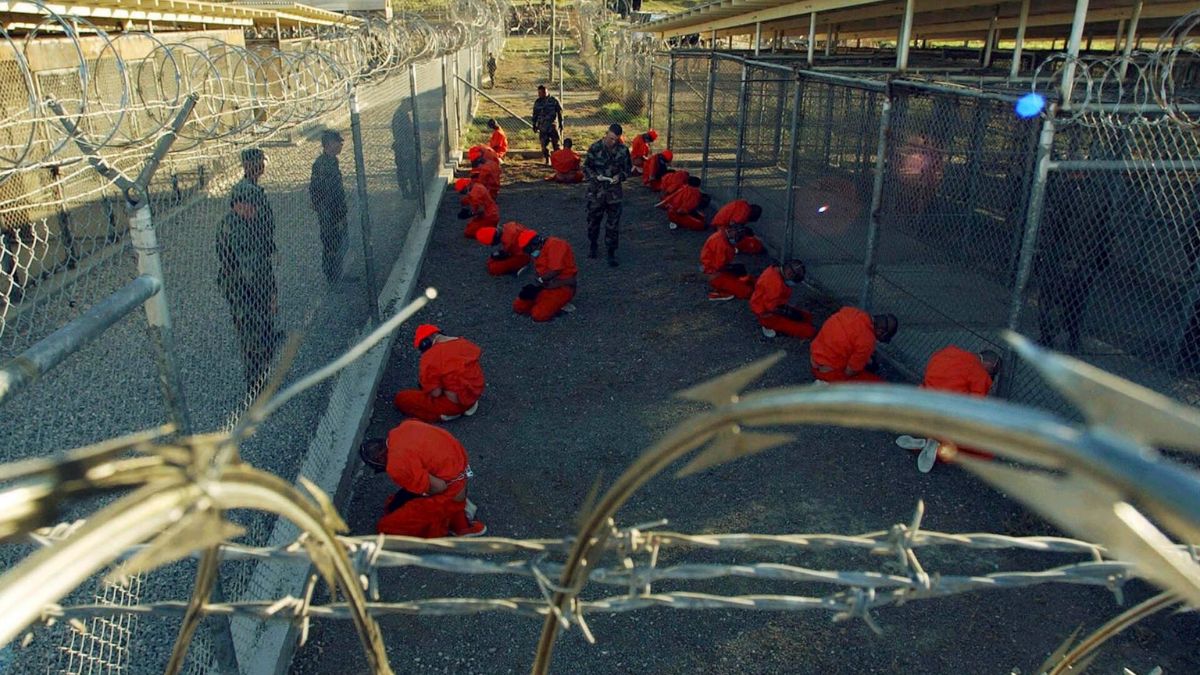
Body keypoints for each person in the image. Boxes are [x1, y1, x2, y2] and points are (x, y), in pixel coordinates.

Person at [217, 148, 280, 392]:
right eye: (252, 208)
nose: (256, 212)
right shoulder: (237, 228)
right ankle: (257, 385)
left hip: (251, 284)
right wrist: (269, 295)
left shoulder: (244, 219)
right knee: (253, 336)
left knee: (260, 331)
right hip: (245, 289)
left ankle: (261, 375)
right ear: (240, 205)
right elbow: (251, 268)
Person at [360, 420, 486, 537]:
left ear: (380, 459)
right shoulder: (405, 427)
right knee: (395, 503)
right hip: (459, 471)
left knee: (385, 526)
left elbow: (439, 487)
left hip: (449, 488)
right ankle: (457, 511)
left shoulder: (396, 465)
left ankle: (456, 519)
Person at [896, 347, 1002, 472]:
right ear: (990, 364)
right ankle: (936, 444)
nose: (991, 376)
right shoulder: (981, 374)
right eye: (993, 372)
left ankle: (927, 439)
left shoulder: (949, 351)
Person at [393, 324, 485, 422]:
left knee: (402, 399)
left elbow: (436, 393)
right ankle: (467, 406)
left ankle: (446, 414)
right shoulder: (465, 343)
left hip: (453, 404)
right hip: (474, 395)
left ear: (425, 343)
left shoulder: (430, 357)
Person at [583, 123, 633, 267]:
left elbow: (627, 169)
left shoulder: (623, 150)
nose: (612, 142)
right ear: (606, 134)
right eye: (610, 138)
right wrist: (594, 176)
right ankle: (593, 244)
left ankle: (611, 252)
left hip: (614, 194)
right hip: (596, 192)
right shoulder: (595, 147)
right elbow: (586, 167)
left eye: (615, 140)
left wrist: (620, 176)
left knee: (613, 225)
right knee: (593, 222)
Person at [809, 308, 898, 383]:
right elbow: (849, 372)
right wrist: (862, 365)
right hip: (828, 374)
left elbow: (848, 338)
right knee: (880, 384)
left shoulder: (851, 311)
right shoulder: (868, 340)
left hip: (814, 359)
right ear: (880, 331)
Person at [512, 229, 577, 322]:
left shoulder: (556, 245)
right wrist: (536, 286)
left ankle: (557, 306)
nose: (529, 253)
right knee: (518, 307)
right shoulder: (540, 249)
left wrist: (540, 280)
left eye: (528, 249)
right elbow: (541, 273)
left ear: (534, 243)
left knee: (538, 315)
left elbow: (556, 270)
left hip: (563, 285)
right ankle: (551, 304)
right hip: (546, 285)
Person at [309, 130, 348, 284]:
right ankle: (332, 276)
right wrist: (333, 214)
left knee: (340, 242)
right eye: (338, 142)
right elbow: (320, 191)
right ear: (330, 144)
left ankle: (338, 273)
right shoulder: (321, 164)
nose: (341, 145)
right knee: (331, 243)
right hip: (329, 212)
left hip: (335, 210)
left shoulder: (332, 161)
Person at [750, 259, 815, 339]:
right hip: (767, 314)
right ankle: (768, 326)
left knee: (804, 316)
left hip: (768, 305)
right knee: (809, 331)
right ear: (789, 274)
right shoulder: (776, 287)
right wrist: (788, 314)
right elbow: (771, 309)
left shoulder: (773, 271)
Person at [700, 225, 756, 301]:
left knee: (744, 275)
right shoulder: (720, 244)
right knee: (747, 292)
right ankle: (718, 292)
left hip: (717, 269)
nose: (738, 237)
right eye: (737, 233)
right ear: (731, 230)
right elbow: (719, 266)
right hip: (715, 273)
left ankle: (728, 285)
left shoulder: (724, 237)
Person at [532, 84, 564, 165]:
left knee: (556, 145)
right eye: (538, 92)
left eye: (541, 92)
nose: (539, 94)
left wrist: (561, 124)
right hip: (542, 127)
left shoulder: (554, 100)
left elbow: (560, 113)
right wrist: (534, 124)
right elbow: (535, 114)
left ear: (546, 91)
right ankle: (547, 160)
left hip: (553, 126)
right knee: (544, 146)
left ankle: (558, 161)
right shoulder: (538, 102)